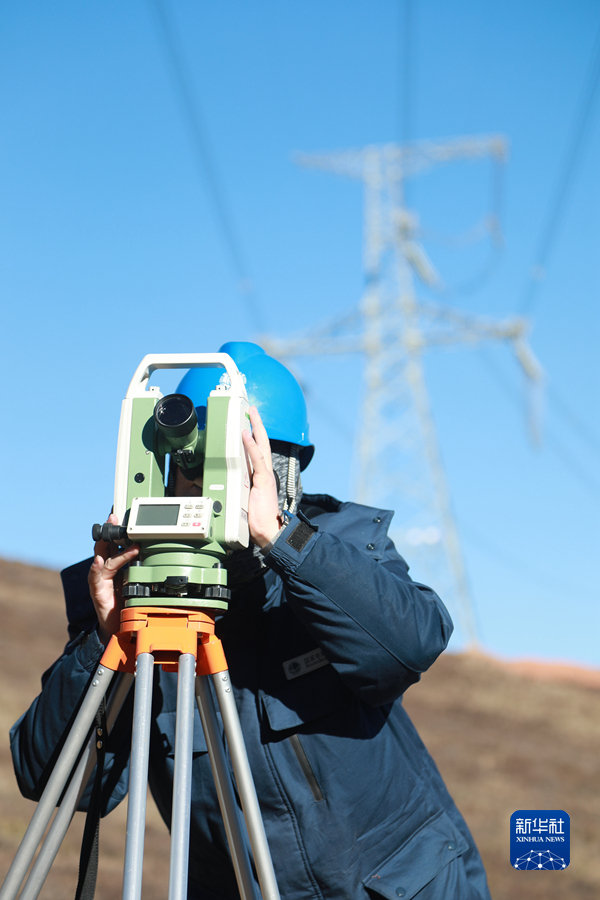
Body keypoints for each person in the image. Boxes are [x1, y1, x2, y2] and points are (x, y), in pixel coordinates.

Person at [10, 342, 491, 900]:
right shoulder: (134, 603)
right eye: (196, 467)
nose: (213, 485)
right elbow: (48, 779)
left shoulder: (339, 544)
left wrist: (288, 543)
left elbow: (408, 647)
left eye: (237, 463)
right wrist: (105, 638)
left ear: (282, 470)